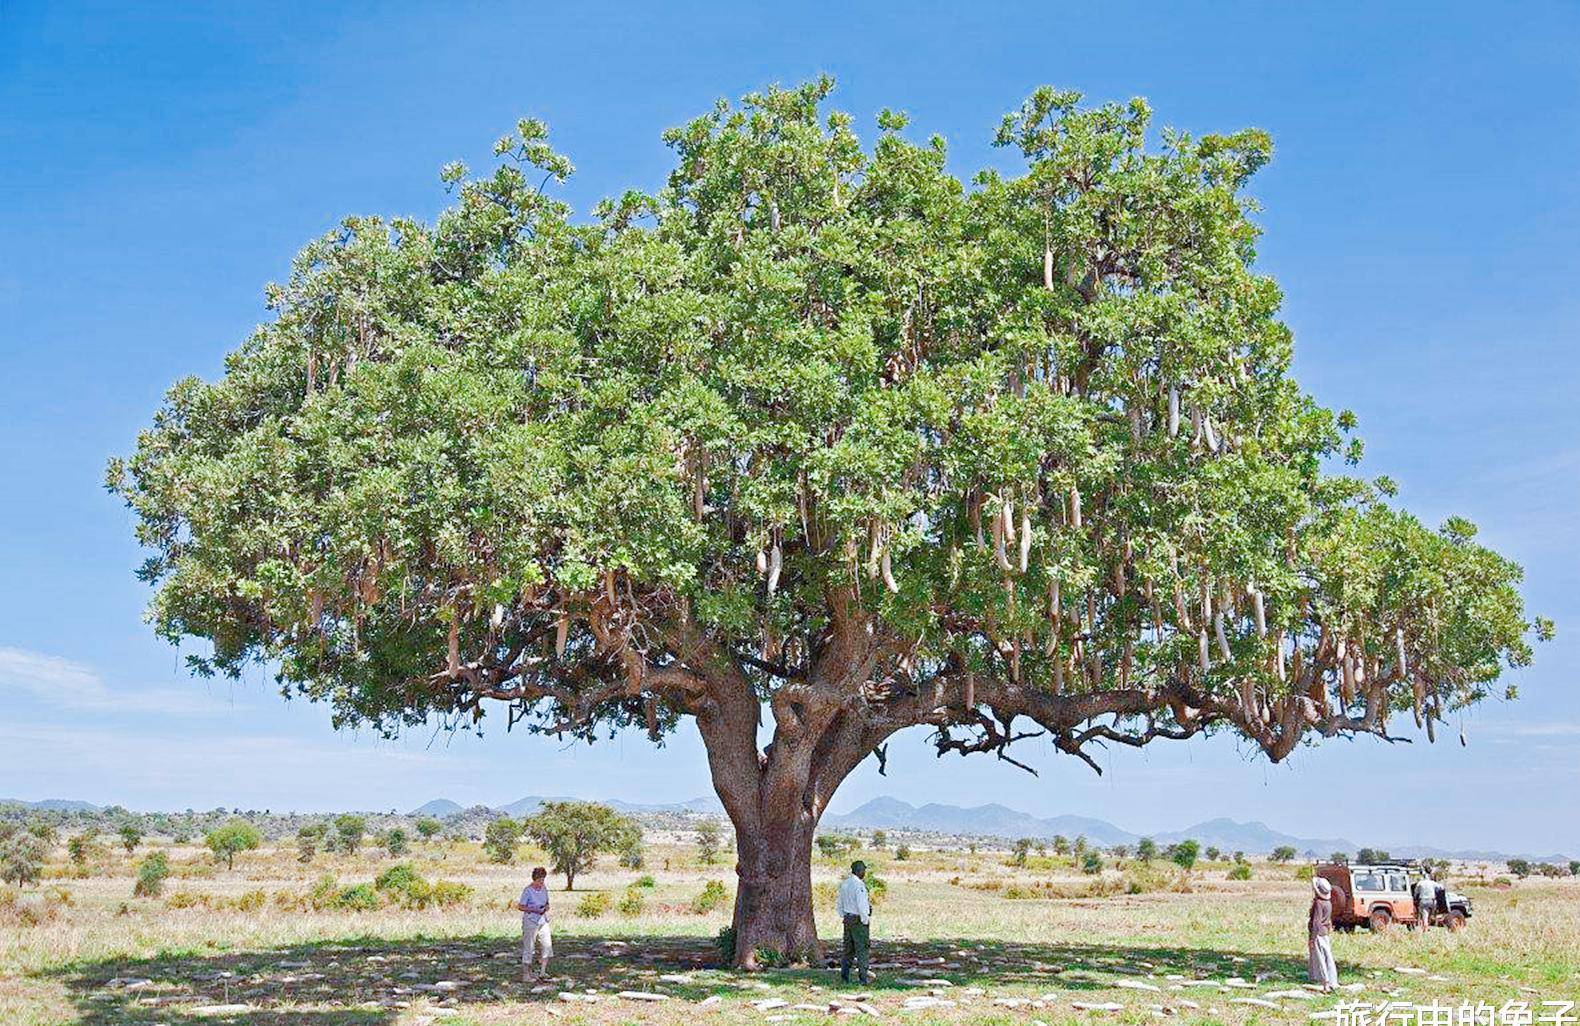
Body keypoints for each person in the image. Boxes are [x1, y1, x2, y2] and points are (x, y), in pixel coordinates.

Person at [512, 866, 552, 981]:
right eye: (539, 880)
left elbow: (547, 902)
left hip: (542, 919)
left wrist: (546, 907)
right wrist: (534, 909)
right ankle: (526, 974)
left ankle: (543, 971)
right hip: (530, 920)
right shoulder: (527, 890)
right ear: (534, 879)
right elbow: (521, 906)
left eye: (543, 879)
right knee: (529, 946)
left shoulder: (544, 889)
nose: (541, 882)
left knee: (546, 944)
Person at [836, 860, 872, 985]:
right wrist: (865, 919)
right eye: (863, 870)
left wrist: (843, 915)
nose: (864, 873)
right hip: (858, 921)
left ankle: (844, 977)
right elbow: (862, 905)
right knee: (862, 948)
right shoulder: (859, 885)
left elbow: (839, 903)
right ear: (859, 871)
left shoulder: (844, 884)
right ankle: (863, 979)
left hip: (847, 919)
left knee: (848, 950)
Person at [1308, 876, 1338, 992]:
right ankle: (1332, 979)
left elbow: (1316, 922)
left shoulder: (1319, 904)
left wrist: (1312, 938)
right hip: (1324, 932)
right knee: (1327, 956)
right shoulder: (1328, 903)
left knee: (1320, 957)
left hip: (1318, 933)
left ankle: (1325, 981)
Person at [1413, 868, 1436, 933]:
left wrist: (1415, 898)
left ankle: (1425, 929)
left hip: (1423, 901)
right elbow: (1441, 888)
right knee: (1430, 914)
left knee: (1424, 916)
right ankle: (1429, 925)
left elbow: (1416, 892)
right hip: (1431, 901)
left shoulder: (1420, 883)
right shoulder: (1432, 883)